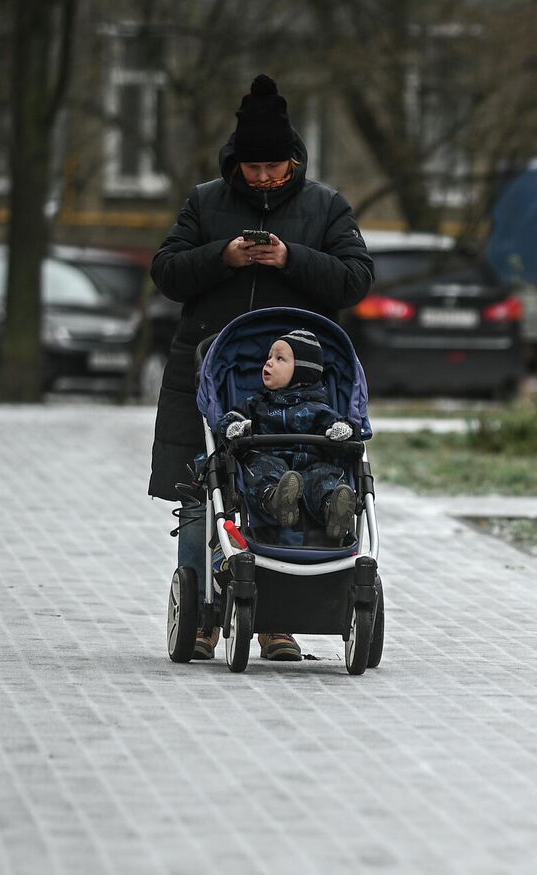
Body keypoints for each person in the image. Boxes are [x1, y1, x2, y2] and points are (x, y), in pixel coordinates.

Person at [150, 74, 374, 662]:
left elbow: (356, 278)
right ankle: (202, 616)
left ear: (294, 160)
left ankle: (279, 618)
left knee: (286, 486)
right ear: (236, 163)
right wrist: (222, 257)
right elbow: (167, 271)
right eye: (254, 168)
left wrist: (291, 257)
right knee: (201, 493)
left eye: (276, 167)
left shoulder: (326, 207)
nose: (266, 178)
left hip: (296, 377)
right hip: (210, 371)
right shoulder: (205, 203)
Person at [218, 329, 363, 544]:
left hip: (311, 465)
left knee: (326, 477)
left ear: (302, 371)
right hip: (270, 461)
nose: (268, 364)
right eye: (268, 358)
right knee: (259, 469)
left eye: (279, 359)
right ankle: (276, 501)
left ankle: (333, 511)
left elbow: (342, 425)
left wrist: (343, 430)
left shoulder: (319, 408)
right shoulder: (258, 404)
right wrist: (235, 428)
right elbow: (230, 418)